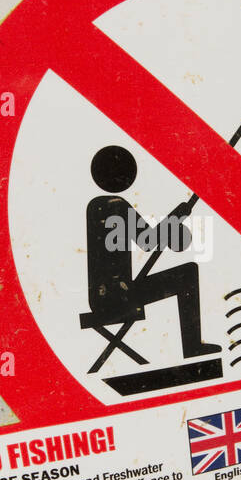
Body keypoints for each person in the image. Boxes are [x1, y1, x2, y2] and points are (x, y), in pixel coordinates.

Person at [85, 145, 220, 359]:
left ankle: (193, 347)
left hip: (105, 296)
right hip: (118, 297)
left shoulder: (95, 205)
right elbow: (149, 242)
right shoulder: (117, 205)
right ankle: (192, 346)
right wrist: (178, 214)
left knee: (185, 272)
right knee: (187, 274)